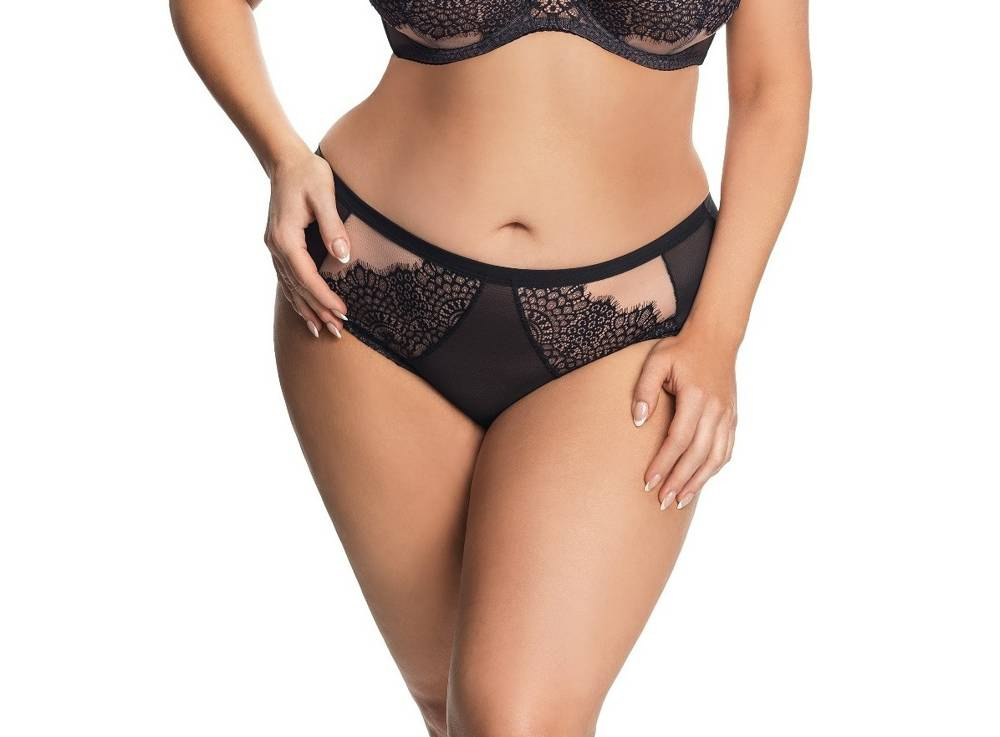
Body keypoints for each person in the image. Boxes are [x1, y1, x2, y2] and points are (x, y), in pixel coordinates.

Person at [171, 1, 811, 734]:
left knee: (514, 716)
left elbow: (770, 90)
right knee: (447, 706)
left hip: (630, 327)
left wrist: (719, 334)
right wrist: (282, 157)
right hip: (368, 296)